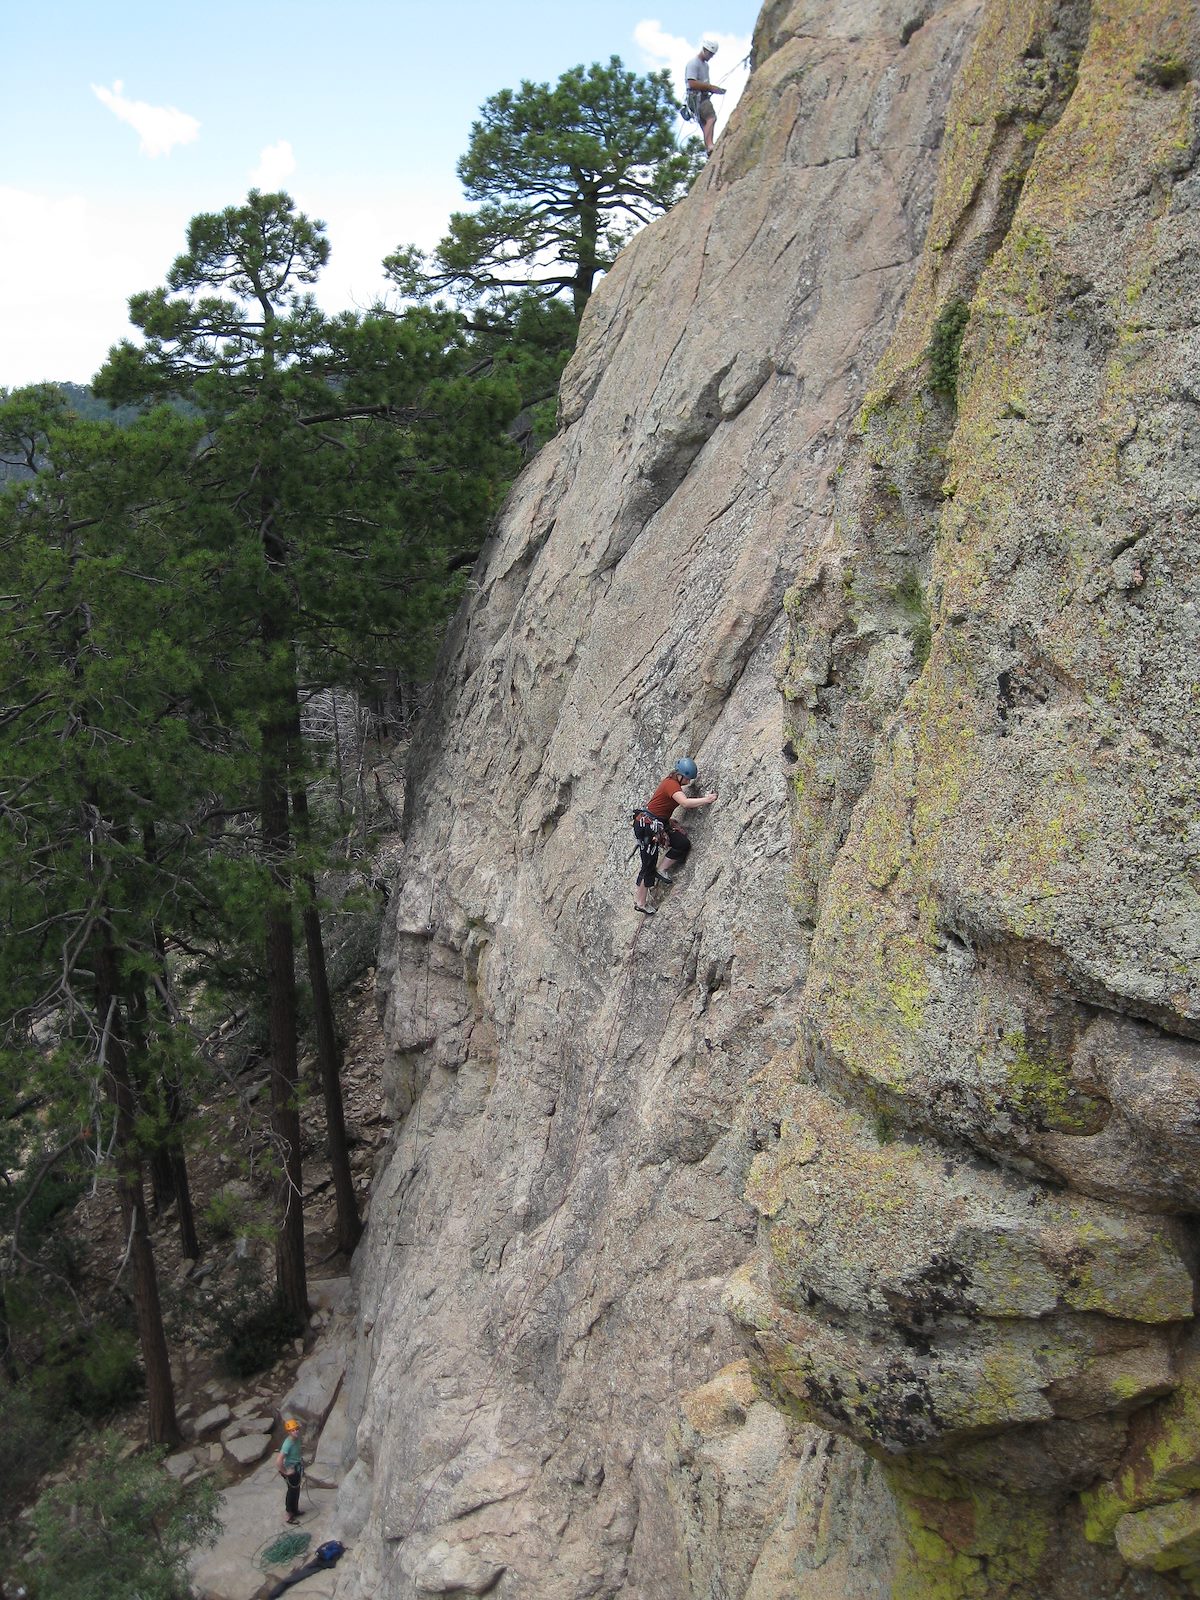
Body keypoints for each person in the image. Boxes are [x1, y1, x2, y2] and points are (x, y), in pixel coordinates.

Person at [633, 757, 717, 914]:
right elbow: (684, 803)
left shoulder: (672, 783)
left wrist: (668, 820)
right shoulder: (671, 784)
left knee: (681, 843)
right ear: (681, 775)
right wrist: (707, 800)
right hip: (647, 826)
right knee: (648, 864)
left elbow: (658, 805)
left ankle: (662, 869)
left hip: (657, 823)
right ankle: (640, 902)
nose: (688, 782)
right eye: (687, 779)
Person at [685, 37, 725, 157]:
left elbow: (704, 84)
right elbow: (692, 83)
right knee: (711, 118)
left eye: (712, 54)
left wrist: (713, 89)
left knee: (706, 124)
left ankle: (709, 147)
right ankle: (710, 145)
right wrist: (710, 87)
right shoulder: (693, 63)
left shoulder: (705, 66)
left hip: (702, 96)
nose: (711, 56)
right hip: (696, 97)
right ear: (704, 49)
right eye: (710, 54)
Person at [277, 1417, 304, 1523]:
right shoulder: (287, 1444)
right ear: (289, 1432)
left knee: (296, 1490)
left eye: (296, 1429)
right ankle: (288, 1515)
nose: (295, 1431)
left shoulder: (296, 1439)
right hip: (291, 1470)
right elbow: (278, 1460)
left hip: (296, 1467)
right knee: (292, 1492)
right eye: (292, 1430)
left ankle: (295, 1510)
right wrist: (285, 1472)